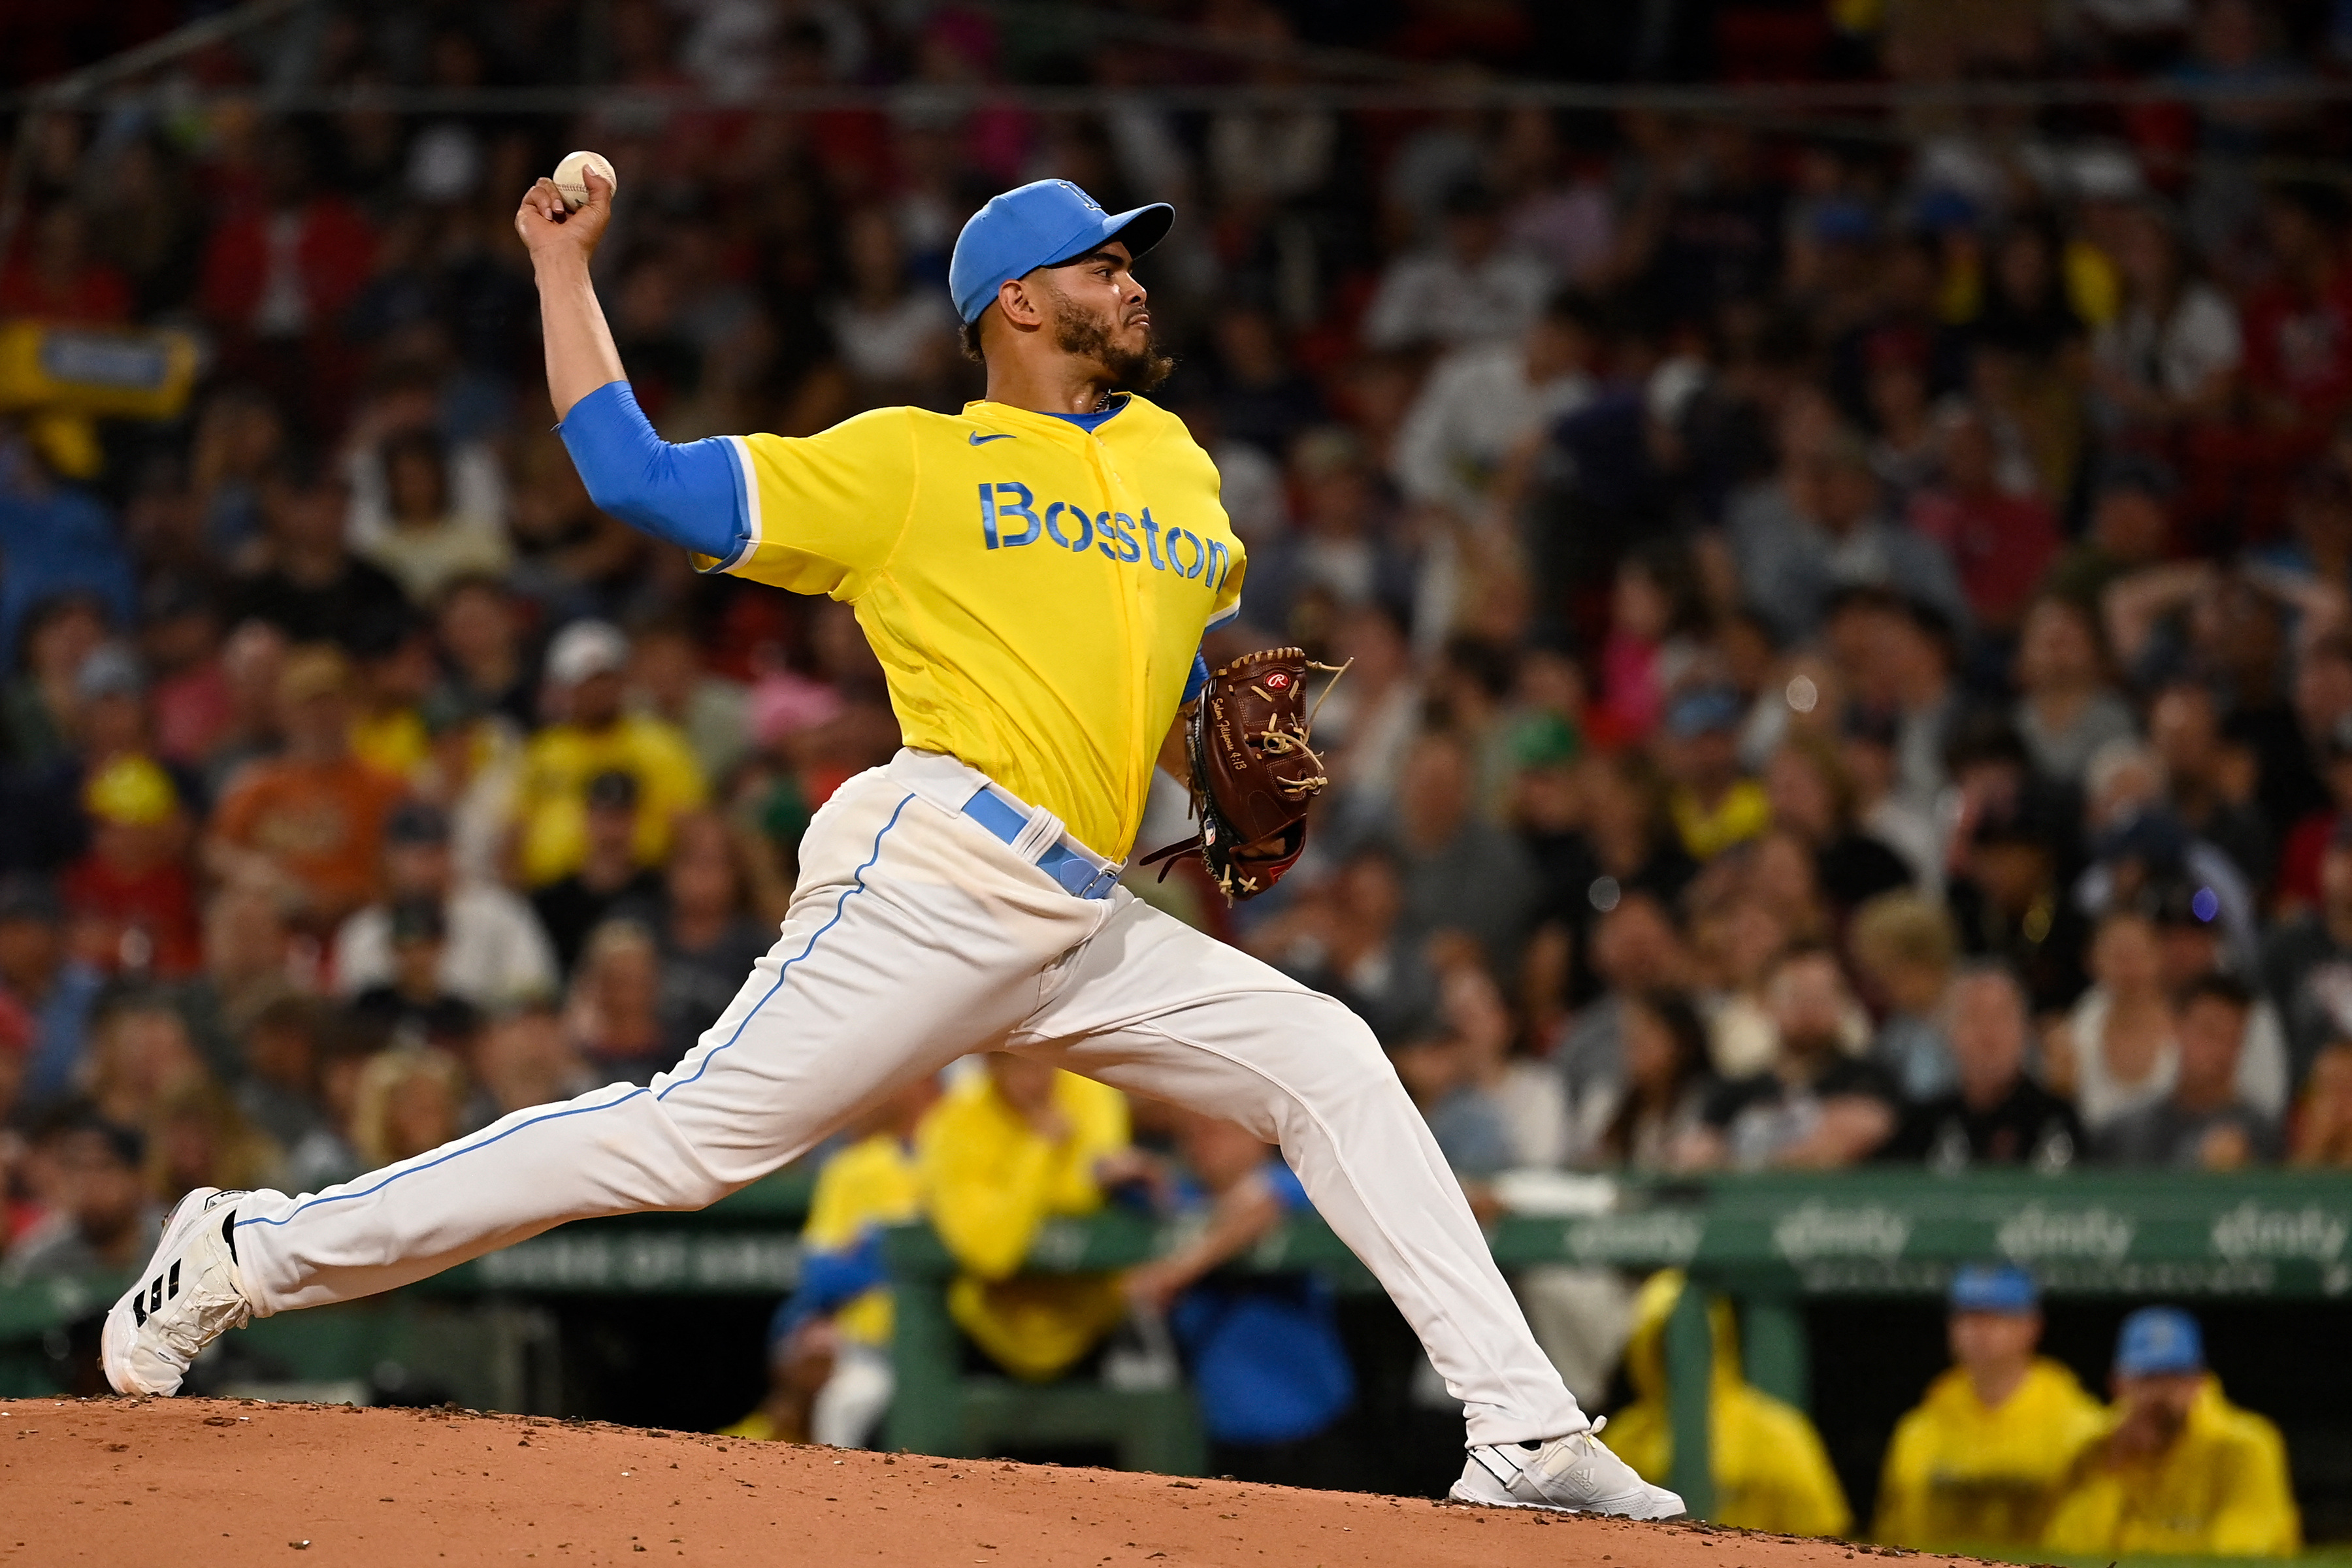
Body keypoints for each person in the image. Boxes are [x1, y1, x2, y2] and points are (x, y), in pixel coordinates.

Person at [106, 172, 1681, 1520]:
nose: (1132, 279)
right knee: (684, 1141)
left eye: (1131, 258)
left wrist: (1216, 742)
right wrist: (563, 266)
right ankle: (250, 1245)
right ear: (1014, 302)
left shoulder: (1178, 462)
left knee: (1328, 1056)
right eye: (1102, 261)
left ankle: (1526, 1426)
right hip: (940, 870)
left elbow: (1175, 668)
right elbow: (630, 477)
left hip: (1088, 909)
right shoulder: (909, 461)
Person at [727, 1074, 935, 1448]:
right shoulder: (852, 1167)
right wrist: (901, 1253)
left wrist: (874, 1248)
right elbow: (819, 1277)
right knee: (840, 1396)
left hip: (942, 1339)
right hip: (865, 1347)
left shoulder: (963, 1152)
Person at [1874, 1265, 2107, 1551]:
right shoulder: (1918, 1429)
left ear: (2032, 1327)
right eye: (1969, 1318)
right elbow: (1892, 1535)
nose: (1979, 1332)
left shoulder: (2083, 1425)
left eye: (1997, 1318)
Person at [1605, 1269, 1852, 1537]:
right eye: (1662, 1343)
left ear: (1719, 1339)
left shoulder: (1778, 1433)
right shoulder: (1624, 1438)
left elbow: (1826, 1536)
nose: (1677, 1357)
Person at [2044, 1307, 2300, 1557]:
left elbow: (2240, 1556)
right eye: (2148, 1378)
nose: (2161, 1393)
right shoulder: (2097, 1445)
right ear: (2118, 1384)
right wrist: (2114, 1469)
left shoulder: (2242, 1445)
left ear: (2198, 1382)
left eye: (2175, 1378)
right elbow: (2068, 1553)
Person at [204, 644, 405, 931]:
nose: (321, 715)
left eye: (331, 702)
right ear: (286, 712)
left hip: (361, 928)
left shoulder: (387, 786)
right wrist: (249, 870)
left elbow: (409, 862)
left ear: (352, 706)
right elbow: (215, 850)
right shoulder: (258, 784)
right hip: (278, 932)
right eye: (309, 703)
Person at [513, 620, 707, 889]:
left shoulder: (658, 743)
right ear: (566, 688)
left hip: (644, 885)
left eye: (607, 680)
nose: (599, 691)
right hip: (554, 893)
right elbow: (515, 830)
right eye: (588, 682)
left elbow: (691, 826)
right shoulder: (543, 751)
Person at [333, 801, 557, 1012]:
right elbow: (351, 1017)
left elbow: (534, 992)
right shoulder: (362, 933)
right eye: (415, 856)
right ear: (388, 860)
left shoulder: (501, 914)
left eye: (436, 853)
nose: (427, 867)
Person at [1688, 947, 1899, 1170]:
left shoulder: (1872, 1080)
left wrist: (1740, 1157)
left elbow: (1851, 1138)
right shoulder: (1732, 1089)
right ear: (1764, 1002)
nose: (1809, 1008)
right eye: (1795, 995)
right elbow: (1698, 1154)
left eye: (1822, 994)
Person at [1887, 966, 2085, 1171]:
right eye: (1974, 1017)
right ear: (1949, 1033)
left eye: (2001, 1017)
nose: (1988, 1034)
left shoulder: (2056, 1120)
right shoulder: (1924, 1125)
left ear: (2026, 1031)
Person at [2098, 974, 2281, 1168]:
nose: (2220, 1049)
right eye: (2210, 1031)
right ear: (2176, 1028)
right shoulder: (2127, 1131)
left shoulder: (2258, 1133)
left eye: (2234, 1038)